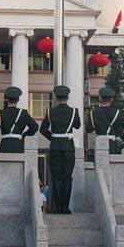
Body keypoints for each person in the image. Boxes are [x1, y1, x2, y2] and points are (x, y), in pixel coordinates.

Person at [40, 84, 81, 214]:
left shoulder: (50, 112)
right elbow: (78, 125)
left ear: (56, 98)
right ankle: (65, 208)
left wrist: (52, 138)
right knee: (67, 177)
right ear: (68, 97)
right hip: (68, 147)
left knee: (56, 177)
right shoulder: (74, 111)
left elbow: (43, 129)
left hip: (55, 147)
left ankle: (57, 208)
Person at [0, 86, 39, 152]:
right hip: (18, 145)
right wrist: (24, 135)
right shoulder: (23, 113)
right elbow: (35, 126)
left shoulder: (1, 113)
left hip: (5, 146)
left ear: (6, 99)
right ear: (18, 99)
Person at [85, 87, 124, 153]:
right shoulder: (117, 113)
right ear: (112, 99)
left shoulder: (93, 113)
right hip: (112, 144)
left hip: (100, 144)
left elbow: (88, 129)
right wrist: (120, 139)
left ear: (100, 98)